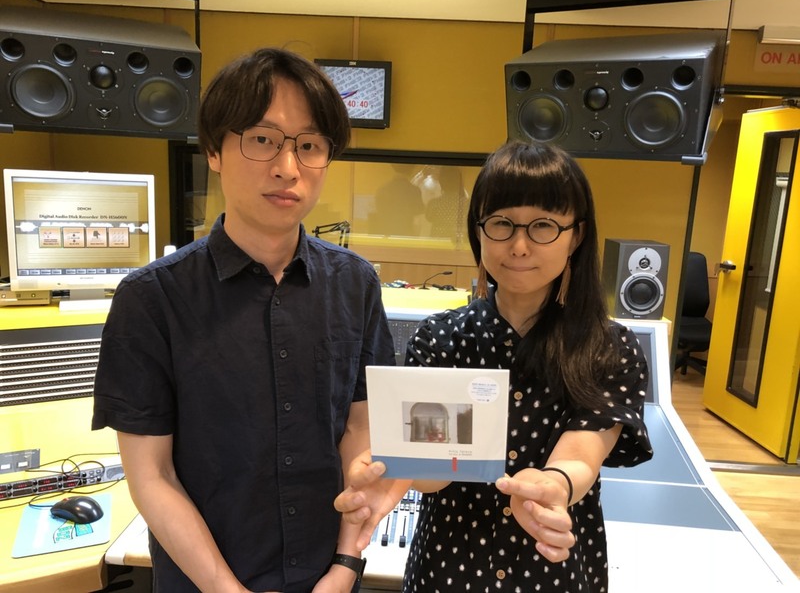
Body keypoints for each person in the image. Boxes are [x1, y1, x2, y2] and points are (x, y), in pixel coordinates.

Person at [92, 47, 396, 592]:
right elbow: (152, 475)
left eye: (309, 146)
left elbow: (359, 428)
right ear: (213, 150)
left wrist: (345, 565)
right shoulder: (150, 299)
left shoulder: (356, 283)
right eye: (262, 139)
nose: (288, 168)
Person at [336, 139, 654, 592]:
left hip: (553, 571)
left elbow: (582, 453)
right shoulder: (440, 339)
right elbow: (432, 471)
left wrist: (553, 486)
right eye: (502, 224)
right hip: (448, 569)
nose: (519, 246)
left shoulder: (608, 348)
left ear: (576, 235)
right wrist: (396, 471)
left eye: (543, 226)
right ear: (479, 231)